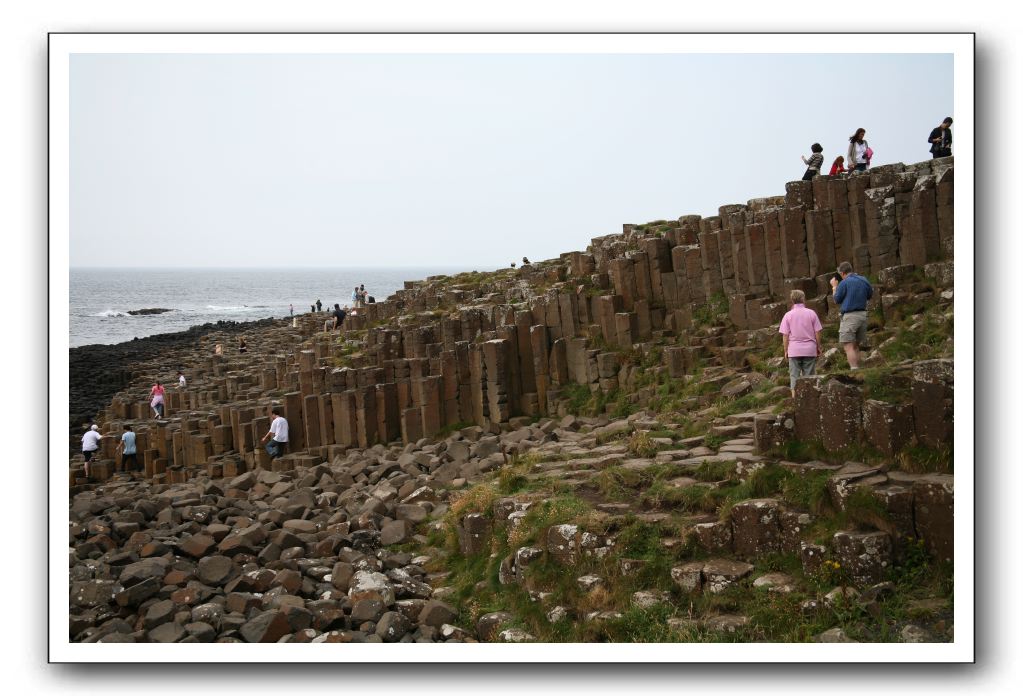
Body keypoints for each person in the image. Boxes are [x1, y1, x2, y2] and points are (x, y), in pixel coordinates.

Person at [778, 290, 823, 397]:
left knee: (794, 376)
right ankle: (810, 399)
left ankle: (795, 399)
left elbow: (785, 335)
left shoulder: (788, 315)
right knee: (810, 376)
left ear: (792, 300)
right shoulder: (811, 313)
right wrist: (818, 346)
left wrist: (786, 350)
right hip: (809, 349)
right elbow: (817, 332)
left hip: (794, 350)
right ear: (803, 299)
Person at [830, 261, 874, 370]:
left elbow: (836, 299)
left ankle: (854, 370)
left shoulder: (844, 283)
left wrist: (834, 287)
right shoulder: (864, 280)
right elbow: (870, 295)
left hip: (850, 316)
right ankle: (859, 370)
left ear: (843, 273)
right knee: (855, 346)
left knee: (848, 346)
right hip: (863, 315)